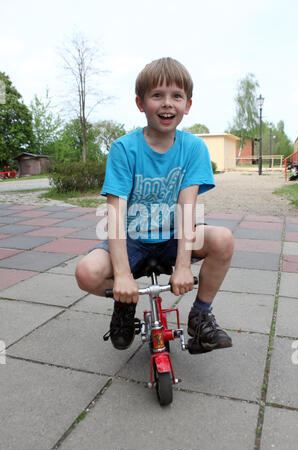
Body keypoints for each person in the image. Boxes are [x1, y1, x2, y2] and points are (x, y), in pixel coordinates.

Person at [75, 57, 234, 354]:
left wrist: (184, 265)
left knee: (223, 239)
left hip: (174, 236)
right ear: (140, 102)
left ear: (188, 105)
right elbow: (116, 214)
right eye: (157, 95)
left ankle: (200, 315)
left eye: (176, 96)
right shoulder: (124, 148)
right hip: (132, 238)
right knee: (86, 273)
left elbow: (188, 208)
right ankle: (125, 304)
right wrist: (122, 275)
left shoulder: (193, 148)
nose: (167, 104)